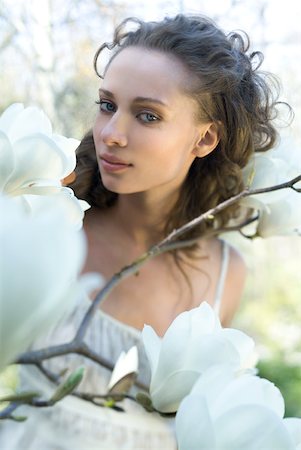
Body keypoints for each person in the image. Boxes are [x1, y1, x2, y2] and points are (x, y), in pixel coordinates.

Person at [0, 14, 281, 449]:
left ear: (205, 139)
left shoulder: (226, 275)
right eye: (108, 105)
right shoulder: (50, 219)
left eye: (147, 116)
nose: (111, 134)